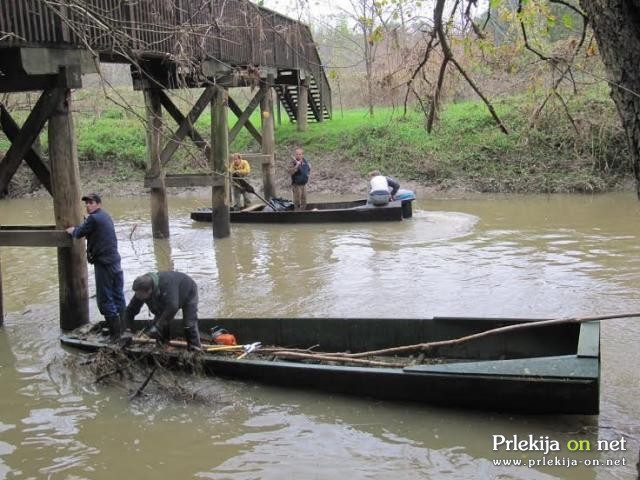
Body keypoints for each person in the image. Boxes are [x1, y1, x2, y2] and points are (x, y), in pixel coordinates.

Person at [66, 193, 126, 341]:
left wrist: (71, 230)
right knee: (118, 295)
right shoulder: (105, 216)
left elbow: (79, 232)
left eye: (91, 203)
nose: (88, 205)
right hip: (115, 262)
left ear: (98, 204)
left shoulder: (93, 218)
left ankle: (115, 336)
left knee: (105, 299)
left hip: (104, 264)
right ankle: (125, 328)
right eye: (86, 203)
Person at [124, 271, 202, 351]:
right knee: (160, 317)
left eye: (140, 295)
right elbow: (130, 310)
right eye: (137, 294)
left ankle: (195, 348)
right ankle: (163, 345)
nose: (138, 296)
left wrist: (158, 326)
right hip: (169, 298)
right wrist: (128, 329)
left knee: (189, 323)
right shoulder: (141, 288)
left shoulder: (166, 284)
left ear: (149, 290)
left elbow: (172, 307)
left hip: (188, 291)